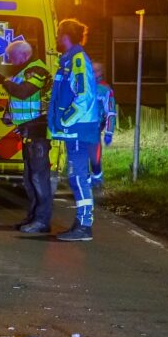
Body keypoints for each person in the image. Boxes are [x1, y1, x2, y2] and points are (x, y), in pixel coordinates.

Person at [48, 19, 99, 241]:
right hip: (75, 129)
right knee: (77, 175)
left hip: (77, 128)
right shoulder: (69, 60)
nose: (57, 39)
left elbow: (84, 94)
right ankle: (81, 223)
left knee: (78, 176)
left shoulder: (77, 60)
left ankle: (84, 225)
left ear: (65, 35)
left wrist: (66, 120)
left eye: (58, 35)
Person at [1, 40, 54, 233]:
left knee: (39, 178)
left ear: (23, 55)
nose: (9, 61)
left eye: (11, 57)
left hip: (38, 131)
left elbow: (24, 93)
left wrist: (5, 82)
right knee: (30, 178)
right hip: (28, 131)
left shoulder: (37, 71)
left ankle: (42, 220)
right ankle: (33, 217)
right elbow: (20, 100)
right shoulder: (24, 71)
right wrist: (10, 115)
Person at [91, 62, 117, 188]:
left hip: (95, 126)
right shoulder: (84, 86)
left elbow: (110, 112)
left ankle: (97, 177)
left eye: (95, 71)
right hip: (81, 126)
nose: (92, 73)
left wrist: (109, 132)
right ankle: (86, 179)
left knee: (94, 155)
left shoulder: (105, 90)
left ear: (101, 72)